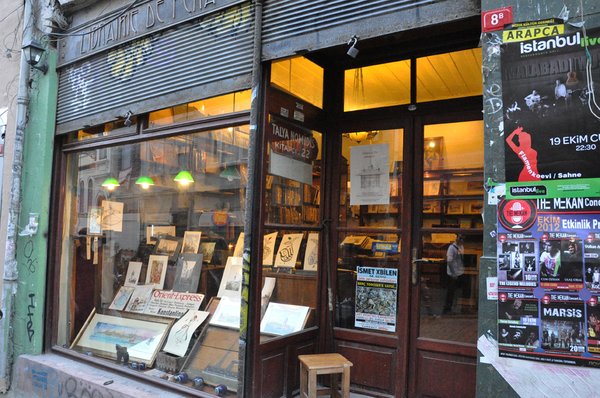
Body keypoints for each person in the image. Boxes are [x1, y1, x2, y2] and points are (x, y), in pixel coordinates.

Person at [444, 234, 464, 314]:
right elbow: (449, 261)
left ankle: (455, 308)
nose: (461, 240)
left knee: (457, 291)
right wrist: (453, 273)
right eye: (460, 238)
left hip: (459, 272)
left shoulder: (461, 247)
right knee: (451, 292)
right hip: (453, 273)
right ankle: (448, 308)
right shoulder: (451, 248)